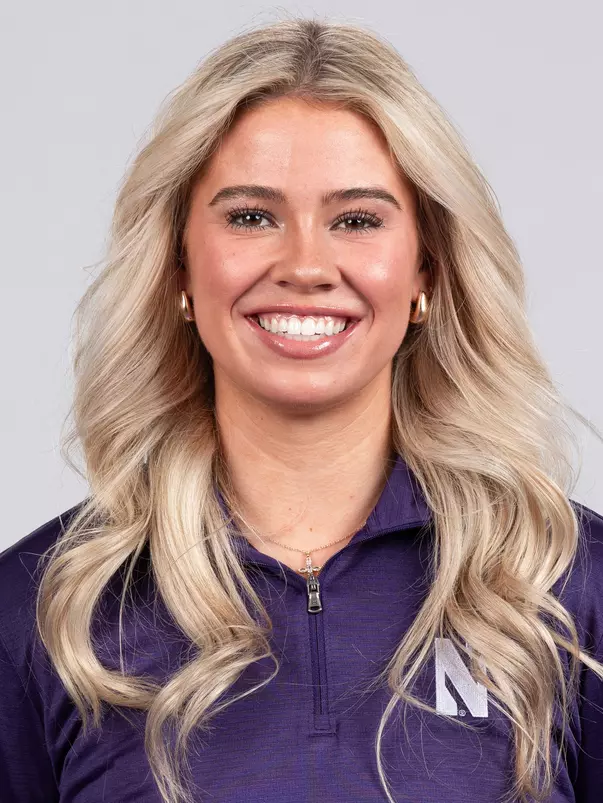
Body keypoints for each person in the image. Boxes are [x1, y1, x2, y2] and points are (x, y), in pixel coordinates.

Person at [0, 15, 602, 803]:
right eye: (251, 216)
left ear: (425, 269)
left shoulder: (567, 585)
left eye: (356, 219)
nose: (306, 265)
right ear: (178, 265)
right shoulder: (45, 610)